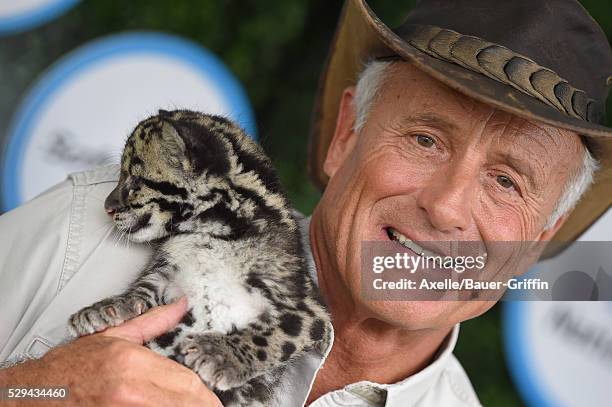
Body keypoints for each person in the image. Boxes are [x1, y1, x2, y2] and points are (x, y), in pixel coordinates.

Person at [1, 0, 610, 406]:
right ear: (346, 136)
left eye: (507, 181)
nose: (447, 206)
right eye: (426, 139)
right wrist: (41, 391)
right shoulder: (95, 227)